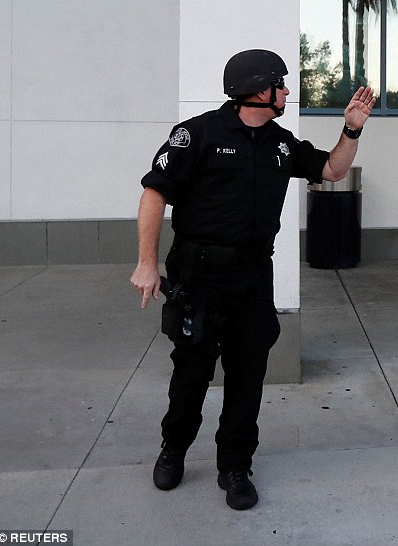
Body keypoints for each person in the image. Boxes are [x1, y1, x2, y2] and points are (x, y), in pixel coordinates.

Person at [129, 49, 375, 510]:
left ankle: (235, 466)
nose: (286, 92)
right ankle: (174, 450)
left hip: (252, 276)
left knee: (248, 374)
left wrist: (352, 128)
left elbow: (332, 169)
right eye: (280, 84)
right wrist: (147, 262)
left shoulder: (281, 143)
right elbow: (154, 192)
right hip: (198, 276)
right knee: (192, 371)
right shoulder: (197, 135)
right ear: (258, 89)